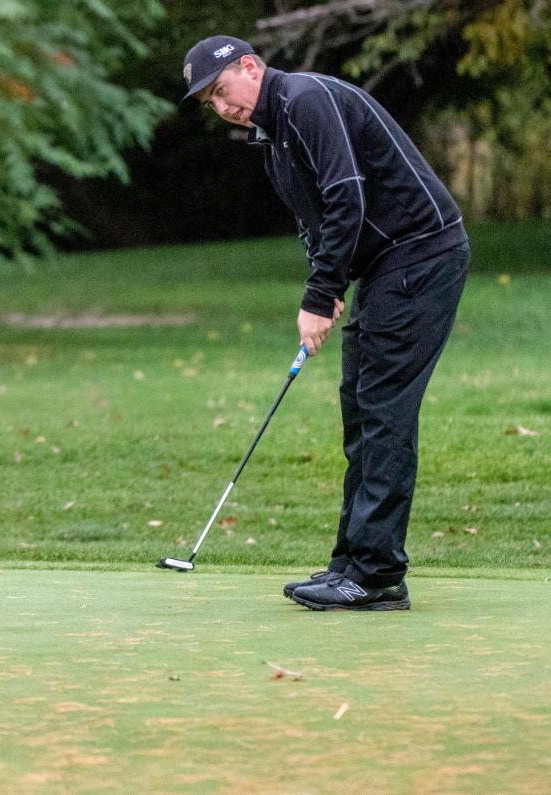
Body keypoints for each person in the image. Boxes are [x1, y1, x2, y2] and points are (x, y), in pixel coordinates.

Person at [181, 36, 469, 610]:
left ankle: (376, 572)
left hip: (421, 254)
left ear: (250, 66)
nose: (222, 106)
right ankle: (353, 562)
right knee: (361, 409)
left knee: (383, 411)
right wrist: (328, 281)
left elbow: (347, 198)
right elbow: (317, 222)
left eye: (222, 90)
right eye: (211, 102)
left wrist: (320, 294)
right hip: (387, 269)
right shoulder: (273, 138)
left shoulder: (306, 99)